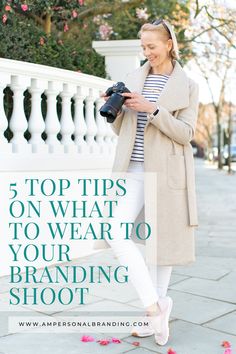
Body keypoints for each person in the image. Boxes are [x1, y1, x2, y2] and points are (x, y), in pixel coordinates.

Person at [100, 18, 199, 346]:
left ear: (168, 44)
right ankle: (155, 305)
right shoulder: (134, 78)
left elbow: (186, 134)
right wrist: (117, 110)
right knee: (115, 231)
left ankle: (155, 317)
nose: (147, 52)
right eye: (143, 47)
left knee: (161, 246)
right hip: (134, 168)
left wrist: (153, 110)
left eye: (151, 47)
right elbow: (123, 131)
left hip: (168, 171)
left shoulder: (188, 85)